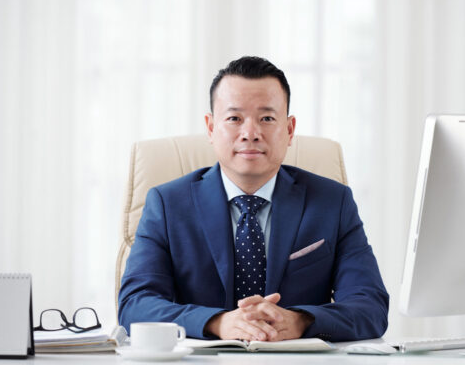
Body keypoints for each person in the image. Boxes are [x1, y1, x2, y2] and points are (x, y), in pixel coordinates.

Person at [118, 56, 389, 342]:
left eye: (267, 118)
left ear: (289, 129)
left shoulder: (333, 202)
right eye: (234, 118)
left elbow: (370, 305)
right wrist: (217, 323)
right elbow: (135, 306)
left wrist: (300, 320)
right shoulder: (167, 204)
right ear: (211, 128)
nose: (250, 134)